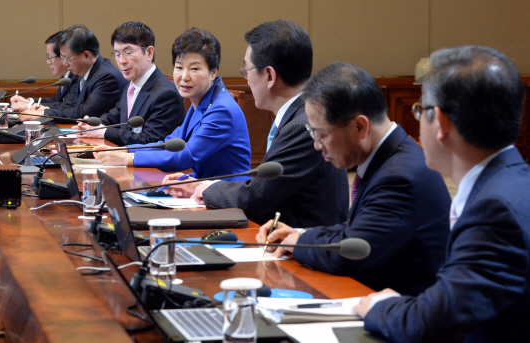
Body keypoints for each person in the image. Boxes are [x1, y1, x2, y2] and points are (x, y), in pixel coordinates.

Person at [352, 46, 530, 343]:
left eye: (420, 111)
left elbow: (433, 322)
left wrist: (380, 306)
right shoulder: (512, 182)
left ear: (442, 123)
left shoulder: (494, 211)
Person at [256, 62, 451, 296]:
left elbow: (349, 254)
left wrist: (298, 243)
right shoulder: (393, 155)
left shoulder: (399, 177)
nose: (317, 146)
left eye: (321, 134)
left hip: (402, 315)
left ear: (359, 126)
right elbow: (358, 228)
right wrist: (299, 235)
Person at [164, 20, 349, 227]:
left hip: (299, 250)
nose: (246, 78)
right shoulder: (300, 115)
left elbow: (257, 198)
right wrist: (200, 185)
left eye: (247, 69)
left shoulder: (302, 127)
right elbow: (265, 187)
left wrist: (205, 190)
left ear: (269, 75)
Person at [94, 28, 251, 181]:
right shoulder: (202, 101)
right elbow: (168, 143)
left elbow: (185, 156)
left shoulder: (221, 110)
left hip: (227, 198)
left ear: (213, 72)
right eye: (179, 67)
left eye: (194, 69)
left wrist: (129, 157)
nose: (184, 77)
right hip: (202, 190)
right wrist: (123, 150)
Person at [72, 22, 185, 146]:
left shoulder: (165, 94)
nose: (121, 61)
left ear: (149, 53)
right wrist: (91, 124)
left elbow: (152, 140)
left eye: (128, 53)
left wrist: (104, 132)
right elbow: (114, 117)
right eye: (117, 54)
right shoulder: (132, 85)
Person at [19, 24, 128, 121]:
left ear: (86, 55)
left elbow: (84, 113)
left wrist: (43, 114)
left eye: (67, 59)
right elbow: (71, 106)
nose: (65, 64)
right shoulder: (86, 72)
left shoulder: (107, 76)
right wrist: (44, 109)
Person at [10, 31, 79, 111]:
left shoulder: (76, 76)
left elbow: (68, 106)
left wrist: (29, 106)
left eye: (50, 57)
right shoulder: (65, 75)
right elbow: (57, 101)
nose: (48, 62)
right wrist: (29, 102)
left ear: (63, 56)